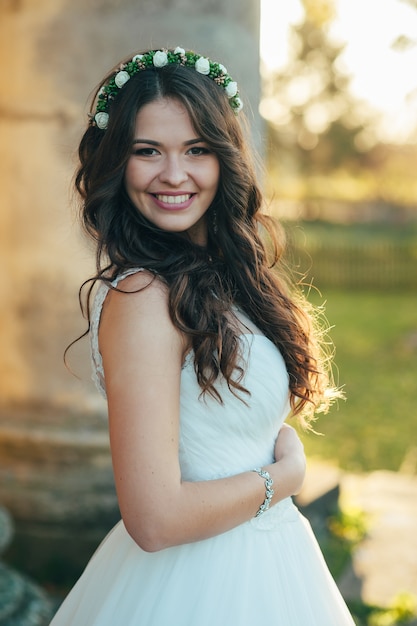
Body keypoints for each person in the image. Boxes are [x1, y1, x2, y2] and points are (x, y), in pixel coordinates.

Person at [51, 47, 355, 625]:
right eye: (148, 152)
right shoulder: (143, 297)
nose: (174, 174)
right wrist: (281, 479)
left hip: (272, 568)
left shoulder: (222, 278)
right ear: (118, 164)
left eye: (196, 150)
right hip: (198, 587)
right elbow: (154, 518)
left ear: (225, 159)